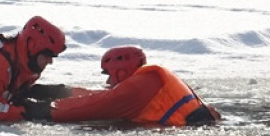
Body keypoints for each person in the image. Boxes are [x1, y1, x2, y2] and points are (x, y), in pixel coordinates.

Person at [23, 46, 221, 126]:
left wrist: (40, 110)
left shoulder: (139, 86)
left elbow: (98, 105)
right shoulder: (147, 80)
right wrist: (49, 91)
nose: (108, 82)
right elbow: (98, 96)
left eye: (109, 75)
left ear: (121, 70)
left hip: (190, 133)